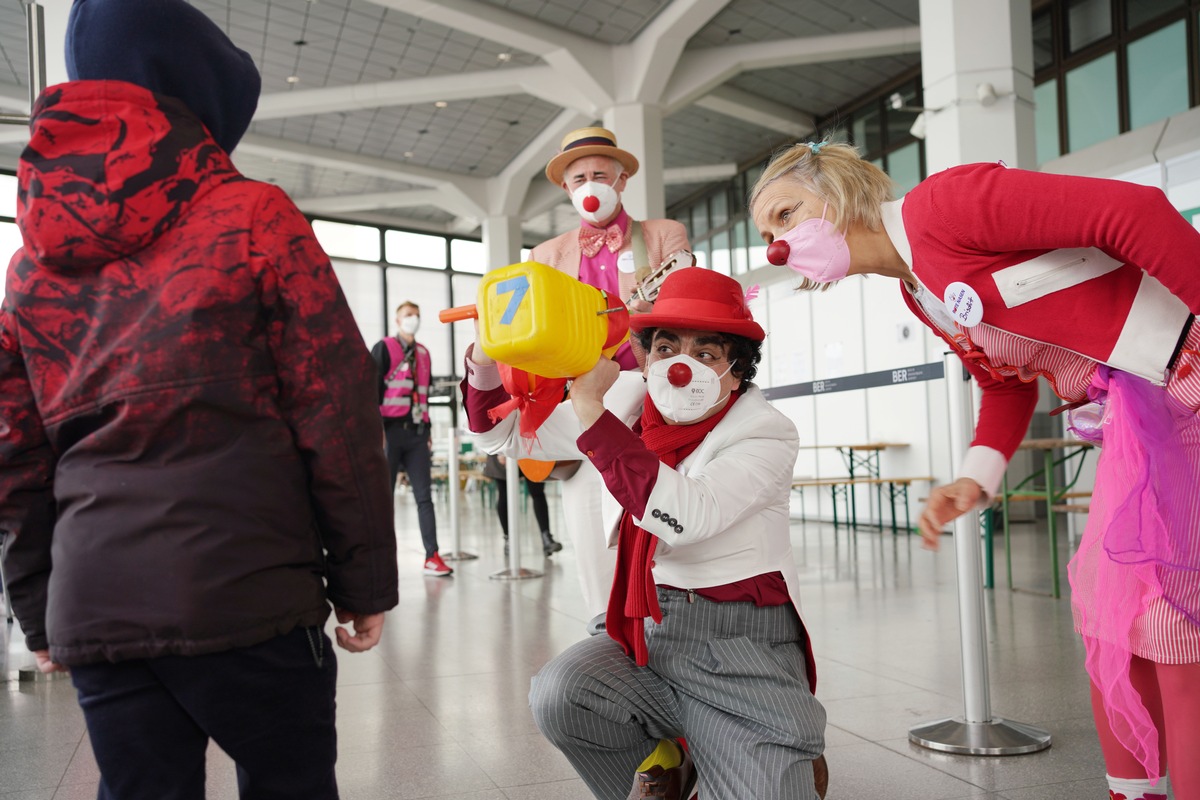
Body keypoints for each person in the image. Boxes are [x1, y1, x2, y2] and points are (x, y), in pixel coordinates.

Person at [0, 1, 399, 797]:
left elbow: (13, 455)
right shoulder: (255, 218)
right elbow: (337, 408)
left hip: (99, 600)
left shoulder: (31, 265)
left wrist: (41, 608)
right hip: (248, 589)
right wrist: (364, 583)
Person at [749, 140, 1200, 800]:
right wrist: (975, 478)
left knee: (1169, 626)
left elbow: (1135, 212)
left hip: (1184, 389)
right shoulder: (916, 292)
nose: (776, 248)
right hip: (1138, 418)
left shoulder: (945, 207)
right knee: (1114, 622)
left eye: (785, 216)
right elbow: (1005, 385)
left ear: (838, 190)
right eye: (766, 235)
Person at [461, 267, 826, 800]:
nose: (679, 367)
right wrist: (485, 357)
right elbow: (505, 435)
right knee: (563, 693)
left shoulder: (765, 431)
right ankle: (667, 763)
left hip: (739, 646)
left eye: (706, 353)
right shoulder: (630, 396)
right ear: (647, 354)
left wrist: (590, 410)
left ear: (737, 370)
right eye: (666, 347)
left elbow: (688, 515)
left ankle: (771, 748)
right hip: (649, 629)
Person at [531, 127, 693, 631]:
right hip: (579, 387)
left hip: (646, 384)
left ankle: (650, 606)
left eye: (600, 173)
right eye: (579, 176)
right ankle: (605, 614)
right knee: (583, 493)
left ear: (621, 179)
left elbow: (688, 305)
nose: (590, 183)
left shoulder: (663, 235)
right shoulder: (545, 254)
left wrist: (654, 310)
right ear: (566, 187)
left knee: (638, 492)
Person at [371, 301, 451, 577]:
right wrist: (376, 431)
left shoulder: (424, 354)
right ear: (397, 320)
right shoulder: (383, 348)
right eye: (408, 315)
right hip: (389, 432)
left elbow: (424, 394)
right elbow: (370, 391)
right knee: (384, 497)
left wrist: (427, 430)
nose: (412, 320)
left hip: (417, 434)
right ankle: (380, 558)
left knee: (424, 497)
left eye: (416, 315)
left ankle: (432, 555)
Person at [482, 454, 561, 557]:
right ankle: (508, 539)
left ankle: (546, 538)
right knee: (504, 495)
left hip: (530, 452)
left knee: (538, 493)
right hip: (502, 450)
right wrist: (502, 451)